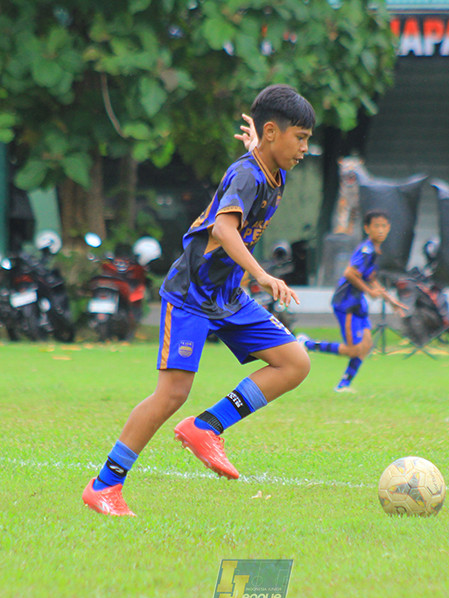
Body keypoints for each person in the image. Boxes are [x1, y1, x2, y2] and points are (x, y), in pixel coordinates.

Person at [82, 84, 315, 516]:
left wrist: (256, 151)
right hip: (192, 294)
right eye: (299, 138)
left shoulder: (268, 171)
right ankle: (104, 486)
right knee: (172, 393)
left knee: (294, 362)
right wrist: (263, 275)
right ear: (270, 132)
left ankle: (206, 427)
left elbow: (250, 173)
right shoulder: (248, 173)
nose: (304, 148)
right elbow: (224, 231)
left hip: (228, 295)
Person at [297, 210, 406, 391]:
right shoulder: (366, 250)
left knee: (367, 345)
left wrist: (390, 300)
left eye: (384, 226)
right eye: (376, 226)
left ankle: (344, 384)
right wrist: (370, 292)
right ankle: (307, 344)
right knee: (353, 349)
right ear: (367, 228)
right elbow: (350, 273)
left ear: (389, 228)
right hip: (346, 303)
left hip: (357, 302)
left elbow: (370, 277)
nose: (380, 230)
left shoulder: (375, 251)